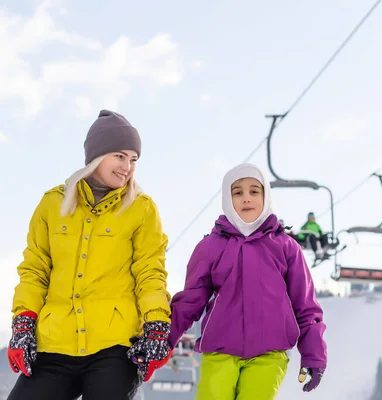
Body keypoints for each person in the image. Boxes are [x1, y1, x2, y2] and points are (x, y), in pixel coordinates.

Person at [7, 110, 173, 400]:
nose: (127, 167)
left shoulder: (142, 209)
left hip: (114, 347)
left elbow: (150, 272)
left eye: (133, 160)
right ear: (97, 155)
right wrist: (23, 320)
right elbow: (35, 269)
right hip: (54, 343)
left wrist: (156, 324)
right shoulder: (52, 204)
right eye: (120, 156)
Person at [168, 162, 327, 399]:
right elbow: (190, 301)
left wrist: (313, 354)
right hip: (220, 350)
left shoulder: (286, 247)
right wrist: (164, 339)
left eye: (254, 191)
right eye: (238, 192)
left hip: (269, 354)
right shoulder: (211, 247)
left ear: (266, 197)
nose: (246, 198)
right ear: (226, 198)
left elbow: (305, 306)